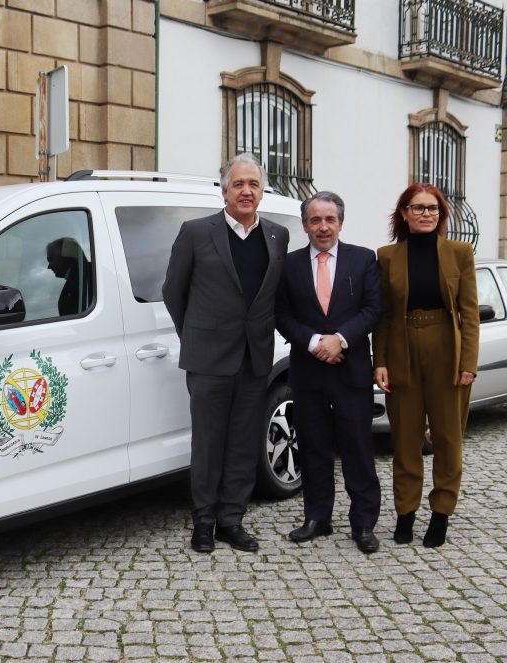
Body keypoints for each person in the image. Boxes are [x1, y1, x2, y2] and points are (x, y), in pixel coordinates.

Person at [162, 153, 290, 553]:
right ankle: (203, 522)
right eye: (238, 184)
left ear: (262, 191)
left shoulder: (277, 236)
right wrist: (195, 335)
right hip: (208, 360)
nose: (246, 191)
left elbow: (273, 296)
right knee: (208, 444)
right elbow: (173, 291)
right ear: (224, 191)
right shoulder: (196, 232)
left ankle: (231, 520)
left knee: (243, 443)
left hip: (255, 358)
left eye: (253, 184)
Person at [274, 191, 383, 554]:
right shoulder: (289, 265)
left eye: (330, 219)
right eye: (315, 220)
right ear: (305, 225)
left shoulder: (363, 259)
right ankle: (317, 518)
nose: (323, 227)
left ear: (341, 223)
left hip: (351, 370)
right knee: (313, 447)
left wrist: (340, 340)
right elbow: (281, 314)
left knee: (357, 448)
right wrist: (314, 343)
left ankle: (363, 523)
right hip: (308, 372)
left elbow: (373, 309)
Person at [373, 183, 478, 548]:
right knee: (405, 438)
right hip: (401, 349)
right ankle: (405, 513)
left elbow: (469, 313)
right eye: (418, 208)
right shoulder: (387, 256)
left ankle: (441, 513)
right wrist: (380, 361)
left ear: (441, 214)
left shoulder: (459, 253)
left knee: (448, 439)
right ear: (404, 213)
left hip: (447, 352)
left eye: (433, 208)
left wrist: (468, 362)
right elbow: (383, 316)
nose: (426, 214)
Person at [46, 237, 92, 316]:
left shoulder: (83, 280)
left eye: (51, 259)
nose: (49, 266)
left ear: (66, 256)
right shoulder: (83, 277)